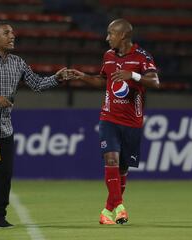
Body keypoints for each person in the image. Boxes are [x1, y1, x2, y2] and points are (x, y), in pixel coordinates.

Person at [0, 21, 68, 229]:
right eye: (6, 33)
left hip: (4, 127)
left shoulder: (18, 63)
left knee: (4, 172)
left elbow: (37, 84)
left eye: (12, 32)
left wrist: (57, 78)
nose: (13, 35)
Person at [68, 19, 160, 225]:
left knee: (123, 169)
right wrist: (83, 76)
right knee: (111, 160)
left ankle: (107, 210)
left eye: (111, 34)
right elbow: (104, 80)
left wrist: (133, 75)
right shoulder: (108, 56)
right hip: (108, 117)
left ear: (123, 36)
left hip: (132, 121)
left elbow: (155, 81)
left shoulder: (141, 57)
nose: (107, 38)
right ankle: (120, 208)